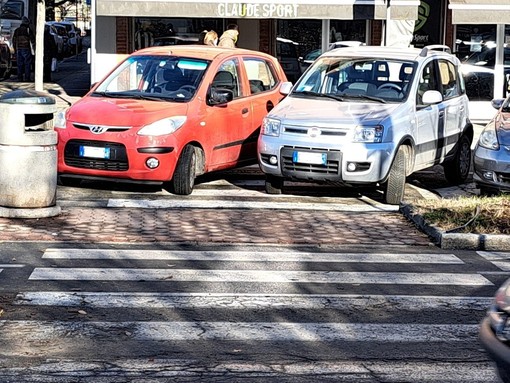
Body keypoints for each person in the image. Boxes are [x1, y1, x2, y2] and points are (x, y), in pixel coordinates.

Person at [12, 16, 35, 81]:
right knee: (27, 64)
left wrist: (14, 49)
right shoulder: (28, 30)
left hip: (18, 48)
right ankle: (27, 78)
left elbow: (14, 41)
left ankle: (20, 78)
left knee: (19, 64)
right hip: (26, 49)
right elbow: (32, 40)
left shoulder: (17, 30)